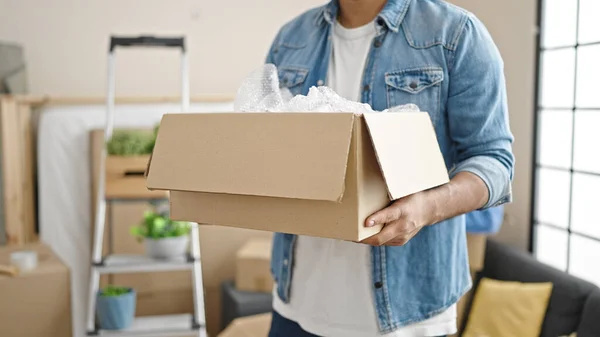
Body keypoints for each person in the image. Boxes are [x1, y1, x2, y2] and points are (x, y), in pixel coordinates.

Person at [265, 0, 514, 336]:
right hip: (296, 306)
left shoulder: (456, 34)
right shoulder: (291, 38)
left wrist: (427, 208)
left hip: (406, 316)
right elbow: (270, 146)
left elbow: (494, 162)